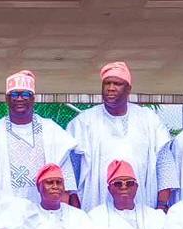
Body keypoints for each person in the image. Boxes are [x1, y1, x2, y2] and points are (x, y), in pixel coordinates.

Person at [67, 62, 169, 210]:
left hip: (142, 205)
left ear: (128, 89)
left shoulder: (148, 119)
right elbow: (71, 168)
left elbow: (164, 162)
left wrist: (162, 204)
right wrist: (74, 206)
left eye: (117, 83)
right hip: (95, 205)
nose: (111, 88)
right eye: (107, 83)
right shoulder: (84, 122)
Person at [0, 70, 76, 206]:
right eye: (14, 94)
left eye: (25, 94)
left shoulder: (51, 130)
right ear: (7, 99)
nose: (20, 99)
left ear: (33, 98)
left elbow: (65, 173)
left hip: (46, 211)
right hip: (5, 211)